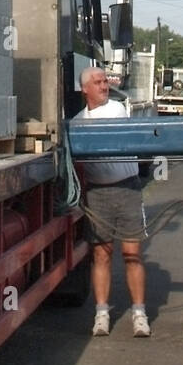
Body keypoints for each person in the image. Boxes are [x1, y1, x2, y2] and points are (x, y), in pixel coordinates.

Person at [72, 66, 150, 337]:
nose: (104, 85)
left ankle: (139, 314)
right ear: (85, 89)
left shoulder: (116, 109)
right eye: (98, 82)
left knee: (132, 253)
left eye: (105, 81)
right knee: (101, 255)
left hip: (127, 190)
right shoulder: (78, 121)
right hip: (98, 194)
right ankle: (102, 314)